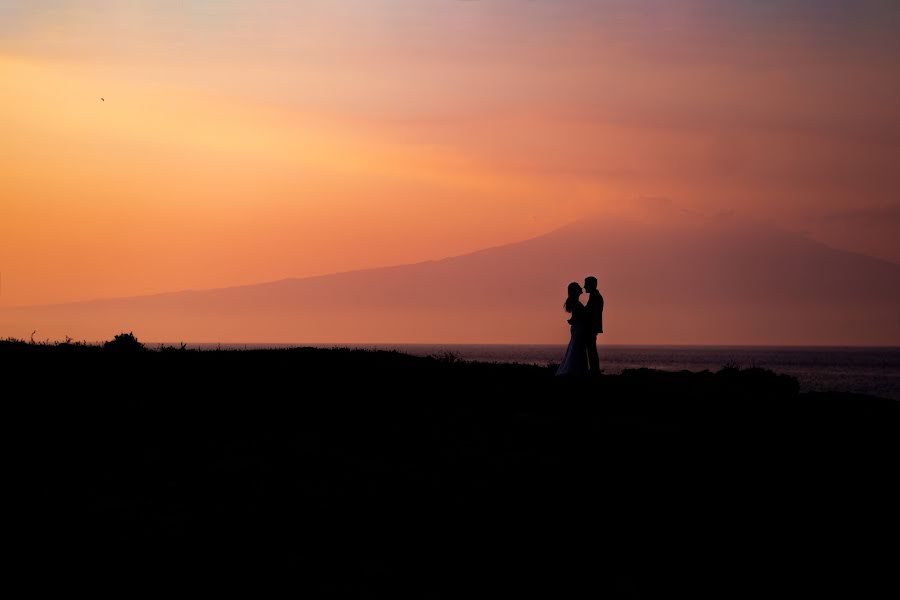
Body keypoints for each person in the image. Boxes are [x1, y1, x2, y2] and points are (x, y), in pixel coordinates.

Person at [555, 282, 589, 376]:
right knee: (577, 348)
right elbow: (578, 316)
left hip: (577, 327)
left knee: (576, 347)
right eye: (578, 287)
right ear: (575, 291)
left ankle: (576, 368)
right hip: (578, 328)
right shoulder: (576, 303)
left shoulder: (575, 302)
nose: (581, 288)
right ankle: (575, 369)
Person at [584, 276, 604, 376]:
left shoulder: (596, 297)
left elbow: (591, 313)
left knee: (591, 350)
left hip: (591, 328)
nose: (584, 287)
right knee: (591, 349)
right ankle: (594, 370)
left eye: (586, 284)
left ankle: (594, 370)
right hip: (592, 327)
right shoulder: (594, 296)